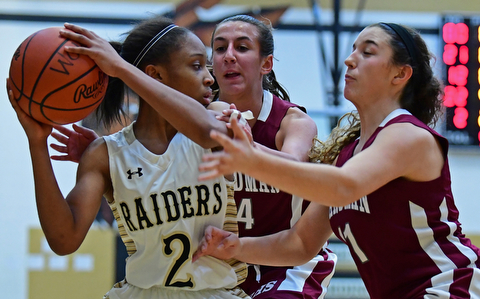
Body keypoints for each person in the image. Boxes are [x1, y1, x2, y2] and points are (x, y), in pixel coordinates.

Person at [51, 14, 337, 299]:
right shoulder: (196, 119)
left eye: (242, 47)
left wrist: (247, 152)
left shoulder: (288, 121)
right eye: (221, 48)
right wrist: (112, 159)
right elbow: (155, 158)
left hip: (284, 261)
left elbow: (296, 174)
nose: (228, 57)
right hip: (224, 260)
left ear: (266, 63)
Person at [193, 22, 480, 299]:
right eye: (353, 50)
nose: (349, 60)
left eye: (367, 52)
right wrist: (234, 246)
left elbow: (344, 187)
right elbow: (301, 242)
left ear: (400, 74)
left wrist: (250, 157)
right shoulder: (350, 155)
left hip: (451, 286)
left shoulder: (407, 134)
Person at [7, 16, 250, 299]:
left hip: (214, 292)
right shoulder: (105, 154)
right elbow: (63, 240)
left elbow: (209, 134)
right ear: (155, 74)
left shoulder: (216, 116)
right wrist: (37, 144)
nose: (209, 77)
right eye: (196, 66)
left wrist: (121, 69)